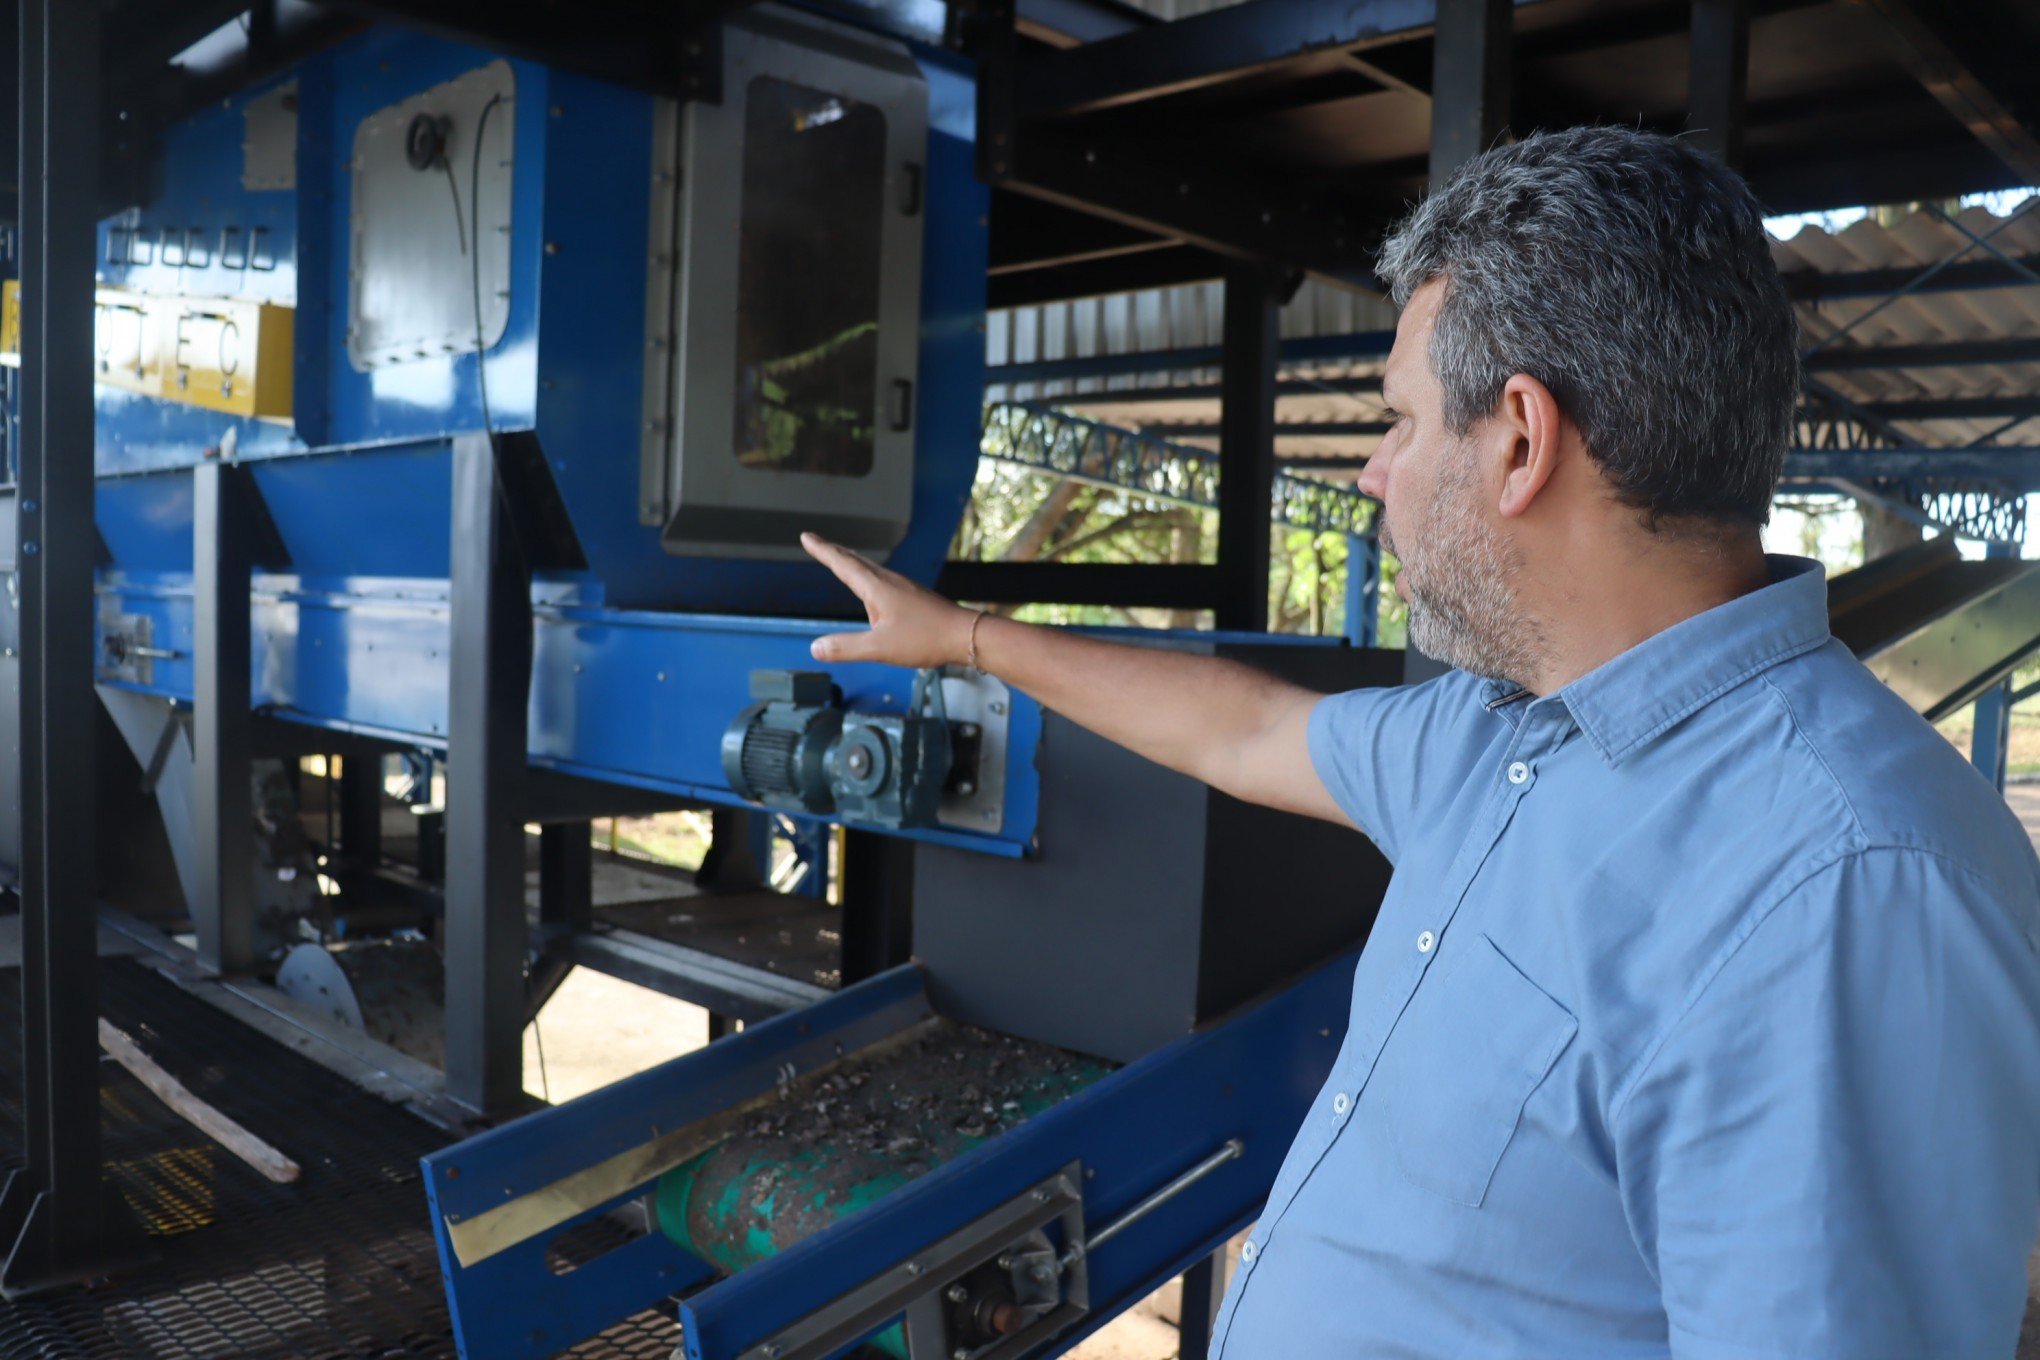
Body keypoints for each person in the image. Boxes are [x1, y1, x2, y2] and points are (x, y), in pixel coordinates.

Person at [801, 125, 2040, 1358]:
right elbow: (1247, 729)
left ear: (1517, 440)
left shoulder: (1845, 888)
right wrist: (964, 636)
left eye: (1396, 419)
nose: (1372, 473)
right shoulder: (1498, 739)